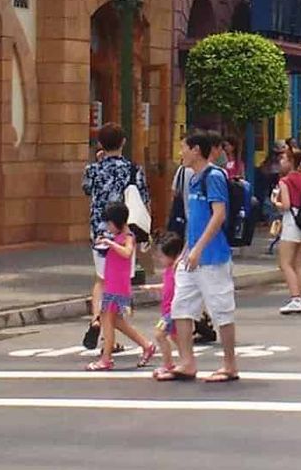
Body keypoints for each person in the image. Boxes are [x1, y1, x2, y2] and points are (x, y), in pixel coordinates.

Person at [159, 131, 240, 384]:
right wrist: (186, 248)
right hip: (191, 256)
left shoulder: (214, 177)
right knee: (181, 308)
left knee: (221, 311)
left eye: (183, 147)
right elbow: (192, 218)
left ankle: (229, 365)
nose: (180, 152)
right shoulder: (193, 179)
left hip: (212, 258)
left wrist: (198, 248)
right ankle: (187, 362)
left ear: (196, 150)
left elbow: (219, 215)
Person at [81, 122, 149, 326]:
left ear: (101, 143)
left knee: (101, 278)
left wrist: (98, 162)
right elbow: (144, 198)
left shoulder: (92, 169)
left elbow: (86, 190)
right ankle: (112, 327)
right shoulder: (133, 169)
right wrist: (147, 230)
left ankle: (96, 319)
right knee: (119, 280)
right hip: (125, 229)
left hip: (99, 229)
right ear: (124, 142)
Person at [85, 201, 156, 372]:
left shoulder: (128, 236)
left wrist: (111, 244)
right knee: (115, 321)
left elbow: (127, 252)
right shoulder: (115, 236)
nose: (108, 227)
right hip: (112, 283)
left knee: (107, 320)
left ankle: (106, 359)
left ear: (118, 221)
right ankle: (146, 345)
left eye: (110, 223)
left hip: (118, 286)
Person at [273, 147, 301, 314]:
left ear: (290, 162)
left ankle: (295, 298)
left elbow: (286, 205)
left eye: (283, 159)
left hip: (291, 220)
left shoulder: (285, 181)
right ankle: (298, 297)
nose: (281, 162)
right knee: (298, 263)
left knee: (285, 263)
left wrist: (275, 202)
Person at [153, 232, 184, 377]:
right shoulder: (168, 270)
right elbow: (168, 286)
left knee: (159, 335)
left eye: (161, 256)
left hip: (171, 312)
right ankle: (186, 360)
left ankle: (168, 364)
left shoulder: (176, 269)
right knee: (176, 337)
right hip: (168, 310)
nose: (158, 259)